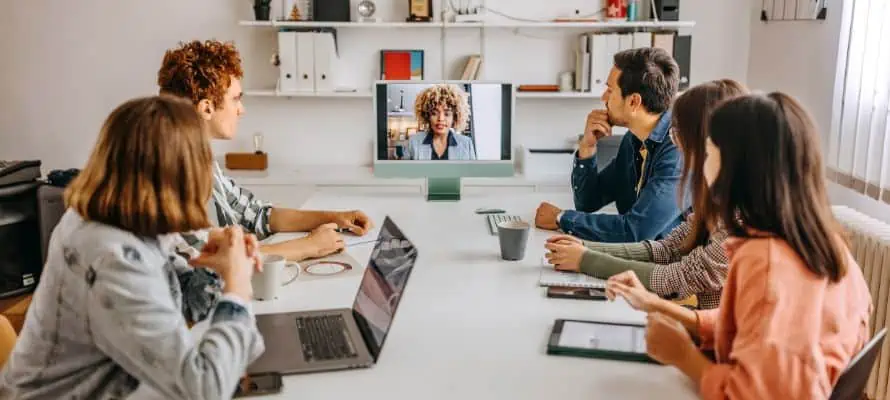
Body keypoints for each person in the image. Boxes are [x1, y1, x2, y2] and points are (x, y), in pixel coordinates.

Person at [606, 92, 872, 398]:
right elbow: (757, 323)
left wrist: (683, 355)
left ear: (735, 165)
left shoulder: (765, 260)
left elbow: (751, 394)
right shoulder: (825, 243)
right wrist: (659, 306)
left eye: (708, 151)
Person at [0, 96, 265, 399]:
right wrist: (238, 286)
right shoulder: (110, 254)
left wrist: (215, 265)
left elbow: (188, 302)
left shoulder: (107, 219)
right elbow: (205, 390)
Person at [157, 39, 372, 261]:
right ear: (207, 108)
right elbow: (206, 262)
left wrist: (336, 218)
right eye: (235, 100)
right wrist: (308, 246)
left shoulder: (201, 159)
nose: (242, 110)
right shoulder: (168, 173)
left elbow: (254, 214)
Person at [544, 79, 748, 310]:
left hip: (713, 335)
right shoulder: (717, 199)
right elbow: (666, 249)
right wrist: (584, 247)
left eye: (681, 134)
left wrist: (585, 259)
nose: (678, 145)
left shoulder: (745, 219)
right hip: (695, 320)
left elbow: (675, 277)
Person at [535, 47, 683, 243]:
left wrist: (561, 218)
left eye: (610, 90)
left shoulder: (678, 149)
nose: (603, 97)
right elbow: (588, 202)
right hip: (636, 260)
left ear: (633, 102)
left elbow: (636, 231)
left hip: (667, 269)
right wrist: (587, 147)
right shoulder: (633, 140)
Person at [404, 84, 477, 160]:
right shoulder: (414, 142)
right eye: (434, 113)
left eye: (447, 114)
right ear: (427, 115)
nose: (441, 119)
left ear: (455, 117)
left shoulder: (466, 144)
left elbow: (473, 171)